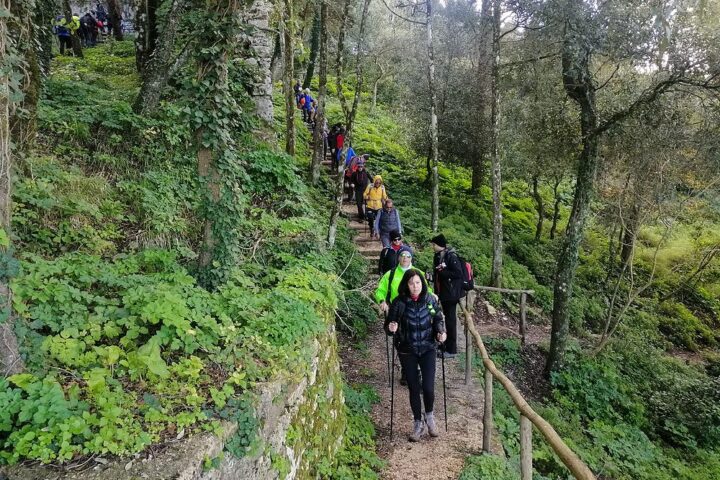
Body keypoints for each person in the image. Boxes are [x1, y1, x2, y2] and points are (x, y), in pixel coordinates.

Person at [385, 269, 447, 442]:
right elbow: (389, 325)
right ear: (406, 284)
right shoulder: (399, 303)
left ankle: (429, 417)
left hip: (428, 348)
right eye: (411, 283)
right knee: (413, 388)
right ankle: (417, 423)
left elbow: (438, 319)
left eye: (418, 282)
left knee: (428, 387)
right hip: (407, 350)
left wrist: (441, 332)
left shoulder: (430, 301)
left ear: (422, 283)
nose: (415, 286)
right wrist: (391, 328)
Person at [429, 233, 464, 359]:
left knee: (450, 321)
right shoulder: (438, 256)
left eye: (434, 244)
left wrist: (443, 272)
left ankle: (452, 349)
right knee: (443, 319)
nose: (432, 246)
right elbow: (438, 273)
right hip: (442, 292)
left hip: (451, 294)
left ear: (440, 245)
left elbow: (458, 273)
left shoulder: (451, 256)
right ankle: (444, 344)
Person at [375, 247, 432, 314]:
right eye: (403, 255)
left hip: (416, 311)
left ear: (411, 258)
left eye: (408, 256)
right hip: (396, 311)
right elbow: (380, 290)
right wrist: (382, 301)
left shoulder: (419, 273)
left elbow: (427, 291)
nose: (405, 258)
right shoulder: (390, 274)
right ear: (398, 258)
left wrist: (432, 308)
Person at [350, 155, 371, 220]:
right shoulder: (354, 174)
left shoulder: (366, 173)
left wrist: (373, 186)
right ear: (357, 167)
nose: (360, 168)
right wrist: (352, 184)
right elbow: (351, 181)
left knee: (366, 204)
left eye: (361, 166)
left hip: (365, 190)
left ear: (363, 166)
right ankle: (361, 216)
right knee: (359, 204)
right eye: (359, 167)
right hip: (358, 190)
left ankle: (367, 216)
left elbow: (372, 179)